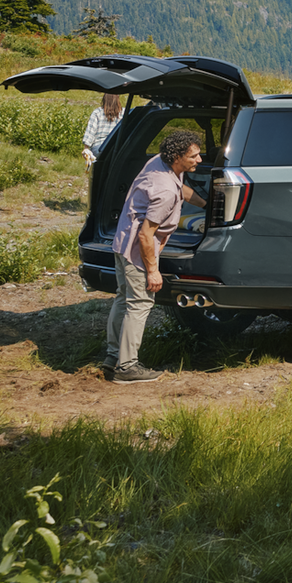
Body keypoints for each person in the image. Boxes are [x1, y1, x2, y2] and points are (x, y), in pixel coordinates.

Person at [103, 130, 207, 383]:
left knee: (123, 299)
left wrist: (208, 204)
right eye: (194, 156)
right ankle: (127, 368)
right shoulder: (165, 192)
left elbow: (181, 188)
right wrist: (153, 270)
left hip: (121, 242)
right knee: (140, 304)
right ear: (178, 157)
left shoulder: (159, 163)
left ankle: (112, 358)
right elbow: (145, 235)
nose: (200, 159)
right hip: (138, 248)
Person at [82, 94, 124, 161]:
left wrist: (86, 148)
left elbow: (91, 132)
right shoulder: (124, 113)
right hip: (117, 146)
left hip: (99, 147)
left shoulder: (97, 112)